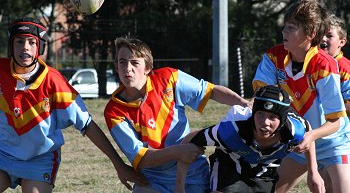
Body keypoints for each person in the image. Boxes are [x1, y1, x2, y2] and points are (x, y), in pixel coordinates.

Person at [0, 17, 148, 192]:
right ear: (11, 45)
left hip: (39, 160)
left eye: (32, 42)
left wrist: (119, 165)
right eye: (19, 41)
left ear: (40, 46)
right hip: (4, 154)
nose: (25, 47)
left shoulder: (54, 83)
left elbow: (87, 125)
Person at [103, 36, 252, 193]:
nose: (128, 68)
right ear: (116, 67)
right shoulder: (113, 111)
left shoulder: (168, 78)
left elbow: (211, 91)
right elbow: (140, 158)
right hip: (152, 180)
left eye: (134, 62)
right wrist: (179, 151)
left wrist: (243, 103)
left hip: (192, 174)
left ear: (147, 67)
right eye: (122, 62)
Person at [252, 0, 350, 193]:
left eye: (291, 27)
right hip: (295, 139)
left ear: (311, 34)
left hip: (332, 142)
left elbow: (336, 121)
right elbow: (261, 99)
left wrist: (311, 135)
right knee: (265, 189)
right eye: (285, 26)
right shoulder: (273, 57)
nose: (284, 32)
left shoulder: (325, 65)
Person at [174, 85, 325, 193]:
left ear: (283, 120)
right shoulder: (231, 131)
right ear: (253, 114)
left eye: (272, 117)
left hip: (264, 173)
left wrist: (313, 172)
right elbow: (189, 140)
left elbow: (308, 134)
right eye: (260, 114)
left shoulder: (295, 131)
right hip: (229, 168)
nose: (265, 122)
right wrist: (179, 186)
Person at [320, 14, 350, 114]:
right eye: (321, 34)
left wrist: (325, 106)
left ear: (341, 42)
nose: (323, 39)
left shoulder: (346, 68)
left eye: (329, 36)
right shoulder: (313, 62)